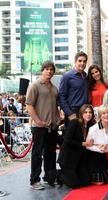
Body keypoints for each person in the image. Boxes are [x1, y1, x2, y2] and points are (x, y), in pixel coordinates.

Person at [26, 61, 60, 190]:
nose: (49, 71)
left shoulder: (54, 87)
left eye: (51, 69)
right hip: (39, 126)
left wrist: (57, 118)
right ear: (42, 70)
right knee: (37, 154)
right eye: (46, 69)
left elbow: (55, 106)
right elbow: (29, 105)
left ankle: (49, 177)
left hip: (52, 126)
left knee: (50, 153)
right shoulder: (34, 85)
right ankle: (34, 180)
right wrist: (38, 121)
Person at [57, 104, 94, 189]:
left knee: (86, 182)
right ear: (81, 113)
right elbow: (67, 140)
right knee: (75, 184)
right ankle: (57, 174)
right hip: (68, 159)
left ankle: (72, 174)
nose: (88, 114)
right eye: (85, 112)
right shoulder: (74, 122)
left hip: (79, 160)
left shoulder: (90, 125)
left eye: (90, 112)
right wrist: (83, 144)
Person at [86, 105, 108, 184]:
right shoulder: (93, 129)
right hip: (92, 155)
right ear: (100, 116)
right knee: (100, 182)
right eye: (103, 113)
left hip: (103, 155)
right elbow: (87, 146)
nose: (106, 115)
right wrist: (99, 148)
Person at [59, 52, 89, 124]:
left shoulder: (86, 76)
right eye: (80, 61)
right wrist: (69, 113)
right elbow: (61, 96)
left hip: (85, 113)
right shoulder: (67, 76)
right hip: (72, 112)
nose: (82, 63)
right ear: (75, 62)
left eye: (84, 61)